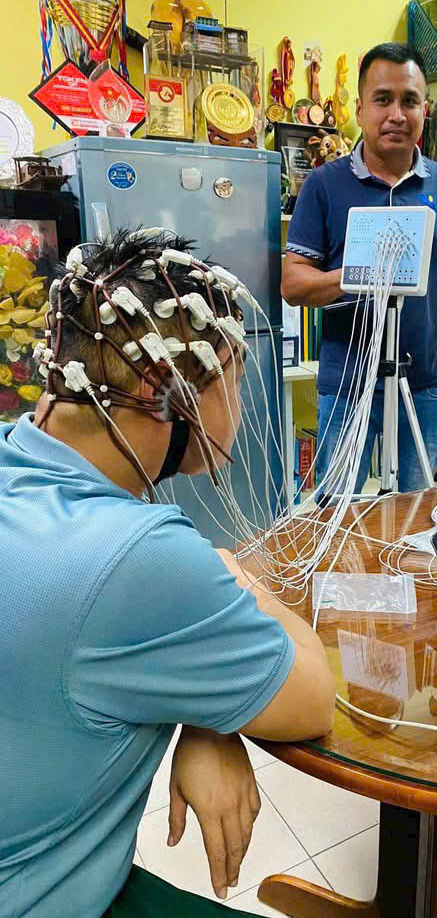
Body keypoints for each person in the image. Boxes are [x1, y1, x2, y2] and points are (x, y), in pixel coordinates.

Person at [0, 230, 336, 918]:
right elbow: (313, 697)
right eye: (233, 381)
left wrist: (209, 721)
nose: (240, 407)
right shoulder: (139, 556)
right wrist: (226, 568)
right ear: (165, 393)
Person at [282, 41, 437, 494]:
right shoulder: (322, 185)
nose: (396, 115)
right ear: (360, 108)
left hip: (421, 382)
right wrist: (358, 275)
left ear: (424, 111)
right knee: (337, 512)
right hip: (347, 384)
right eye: (383, 99)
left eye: (409, 101)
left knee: (421, 511)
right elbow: (293, 283)